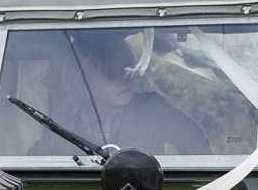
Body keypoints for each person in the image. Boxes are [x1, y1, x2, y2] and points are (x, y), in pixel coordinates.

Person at [71, 29, 212, 157]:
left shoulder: (152, 109)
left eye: (128, 70)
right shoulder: (59, 112)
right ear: (84, 79)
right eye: (111, 74)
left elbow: (200, 149)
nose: (124, 80)